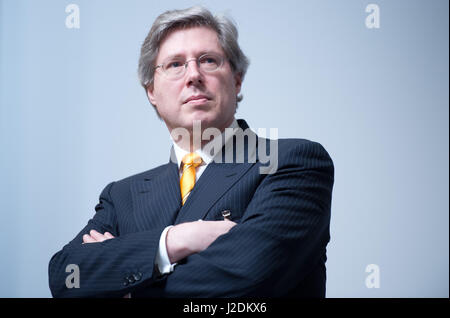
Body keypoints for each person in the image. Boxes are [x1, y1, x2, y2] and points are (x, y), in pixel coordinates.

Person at [48, 6, 334, 298]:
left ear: (236, 80)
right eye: (174, 64)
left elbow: (245, 281)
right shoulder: (122, 196)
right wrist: (175, 240)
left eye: (209, 60)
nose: (193, 75)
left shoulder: (292, 162)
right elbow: (66, 276)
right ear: (151, 92)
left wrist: (124, 285)